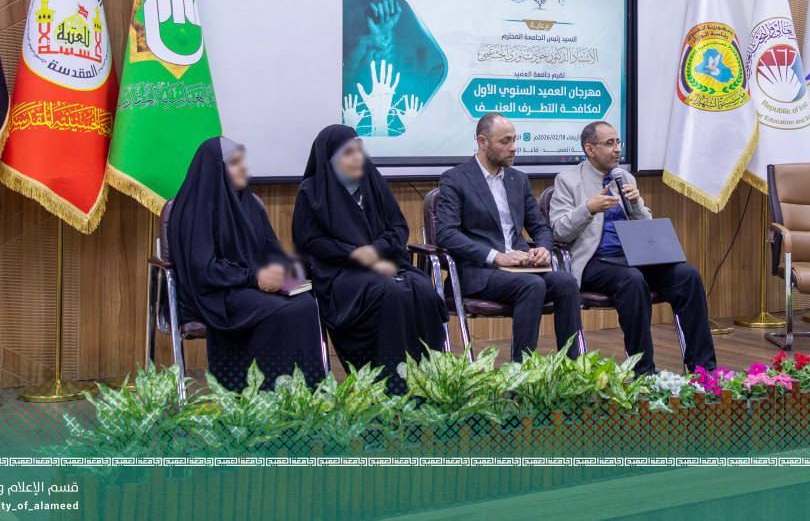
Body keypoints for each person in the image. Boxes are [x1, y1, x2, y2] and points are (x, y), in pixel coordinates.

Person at [548, 120, 716, 374]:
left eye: (618, 142)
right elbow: (559, 231)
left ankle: (703, 370)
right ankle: (643, 371)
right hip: (595, 261)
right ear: (590, 149)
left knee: (687, 275)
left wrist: (636, 205)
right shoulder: (568, 180)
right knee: (632, 279)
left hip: (634, 256)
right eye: (609, 143)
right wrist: (589, 208)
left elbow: (645, 225)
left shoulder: (624, 177)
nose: (617, 149)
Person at [292, 124, 446, 392]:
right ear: (330, 159)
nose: (357, 157)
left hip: (384, 263)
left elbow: (398, 227)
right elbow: (309, 242)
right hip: (340, 273)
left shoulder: (373, 182)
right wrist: (351, 253)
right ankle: (390, 382)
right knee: (391, 293)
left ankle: (428, 378)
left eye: (359, 150)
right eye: (348, 152)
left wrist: (376, 249)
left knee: (423, 290)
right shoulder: (312, 191)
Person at [167, 137, 326, 391]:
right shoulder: (195, 209)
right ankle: (259, 392)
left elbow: (271, 250)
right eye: (234, 163)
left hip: (250, 286)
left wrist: (284, 273)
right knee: (282, 312)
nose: (244, 168)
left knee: (305, 304)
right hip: (216, 294)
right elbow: (203, 269)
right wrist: (254, 278)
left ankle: (306, 394)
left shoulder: (250, 204)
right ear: (216, 169)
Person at [435, 113, 583, 361]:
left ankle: (572, 367)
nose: (513, 147)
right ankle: (521, 371)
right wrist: (496, 257)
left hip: (521, 267)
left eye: (514, 140)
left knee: (566, 282)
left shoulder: (518, 179)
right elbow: (446, 234)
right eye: (505, 141)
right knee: (532, 285)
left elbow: (540, 227)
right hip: (479, 271)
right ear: (482, 142)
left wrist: (543, 249)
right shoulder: (456, 179)